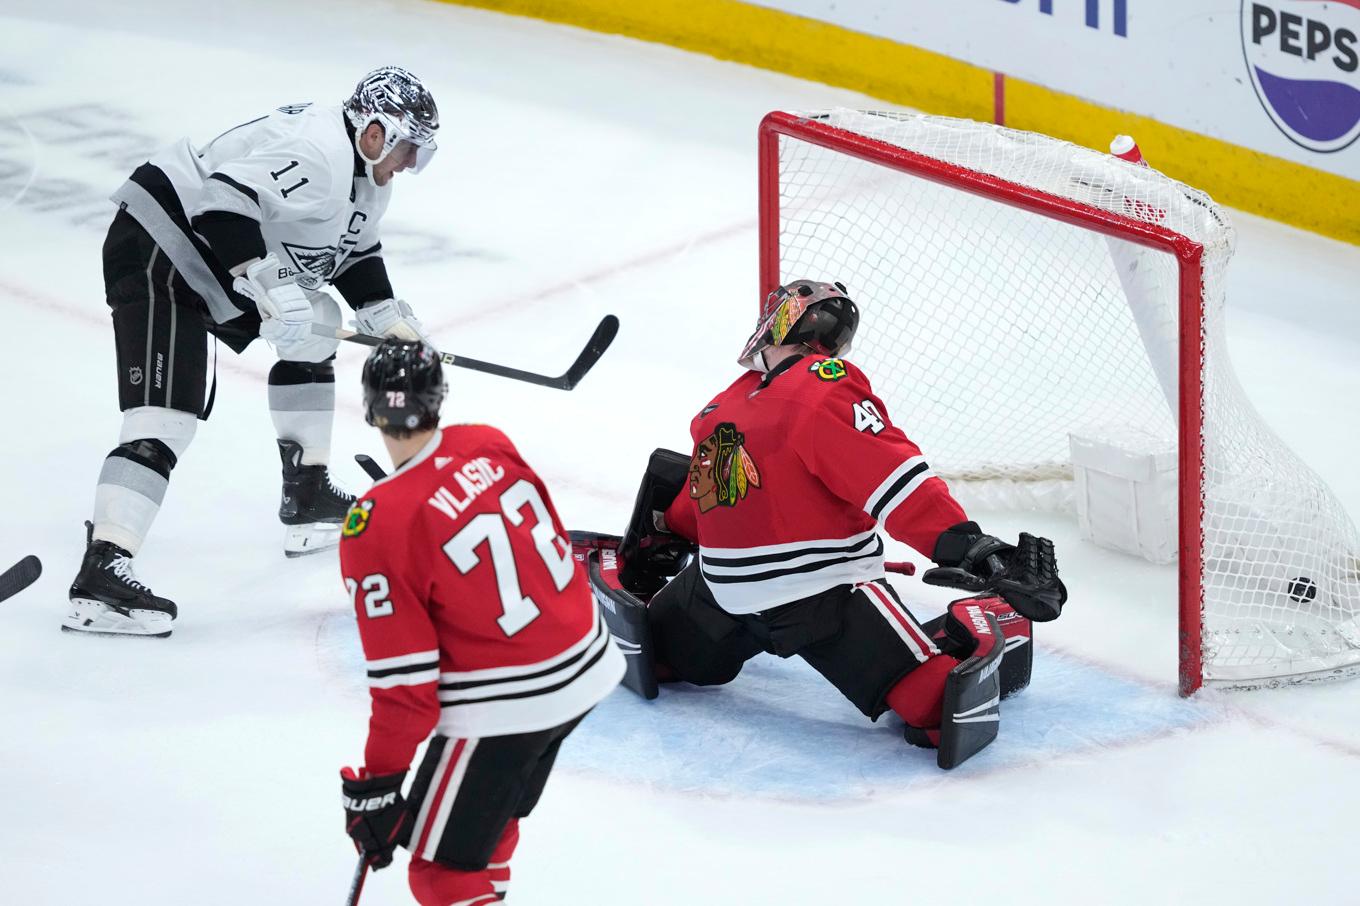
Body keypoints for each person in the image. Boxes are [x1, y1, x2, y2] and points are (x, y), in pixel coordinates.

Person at [606, 280, 1067, 769]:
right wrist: (973, 548)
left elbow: (708, 504)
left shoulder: (728, 405)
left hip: (740, 592)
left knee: (653, 656)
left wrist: (659, 539)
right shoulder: (801, 390)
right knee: (937, 712)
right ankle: (972, 628)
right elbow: (891, 478)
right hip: (813, 594)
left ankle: (969, 625)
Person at [65, 67, 440, 638]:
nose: (411, 163)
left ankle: (307, 492)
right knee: (166, 417)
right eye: (408, 147)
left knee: (317, 325)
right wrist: (266, 281)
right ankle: (102, 573)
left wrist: (384, 311)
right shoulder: (317, 152)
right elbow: (219, 205)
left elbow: (355, 252)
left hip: (208, 257)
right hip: (159, 241)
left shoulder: (368, 179)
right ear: (373, 130)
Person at [338, 340, 625, 904]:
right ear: (438, 399)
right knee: (486, 823)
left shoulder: (375, 525)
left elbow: (406, 691)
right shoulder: (486, 441)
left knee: (442, 873)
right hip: (589, 662)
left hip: (513, 701)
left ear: (371, 411)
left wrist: (378, 782)